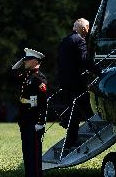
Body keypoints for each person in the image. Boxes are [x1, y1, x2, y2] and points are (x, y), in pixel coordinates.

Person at [57, 18, 100, 149]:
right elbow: (83, 61)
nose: (89, 30)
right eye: (88, 27)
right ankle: (96, 128)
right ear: (83, 28)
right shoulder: (80, 41)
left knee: (75, 108)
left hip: (64, 80)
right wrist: (99, 71)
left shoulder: (65, 40)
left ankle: (66, 121)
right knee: (83, 105)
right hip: (76, 81)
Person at [11, 48, 47, 177]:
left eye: (27, 59)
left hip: (34, 119)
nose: (25, 61)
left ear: (35, 61)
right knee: (26, 151)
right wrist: (20, 62)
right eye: (24, 59)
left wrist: (40, 122)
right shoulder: (27, 76)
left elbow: (43, 103)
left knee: (34, 152)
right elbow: (11, 75)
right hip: (25, 118)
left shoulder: (39, 79)